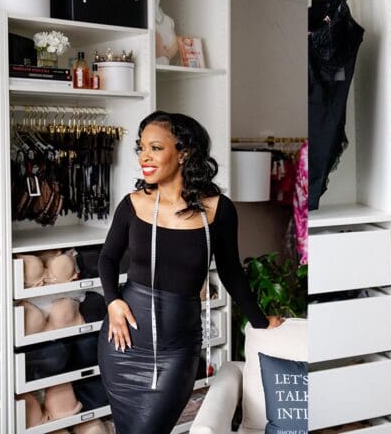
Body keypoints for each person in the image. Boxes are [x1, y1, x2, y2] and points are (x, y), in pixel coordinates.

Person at [97, 111, 285, 433]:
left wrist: (259, 320)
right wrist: (113, 302)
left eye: (155, 147)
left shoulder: (218, 209)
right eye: (141, 148)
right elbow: (107, 259)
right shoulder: (133, 204)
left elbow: (230, 271)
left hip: (177, 350)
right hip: (123, 345)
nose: (144, 156)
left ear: (183, 152)